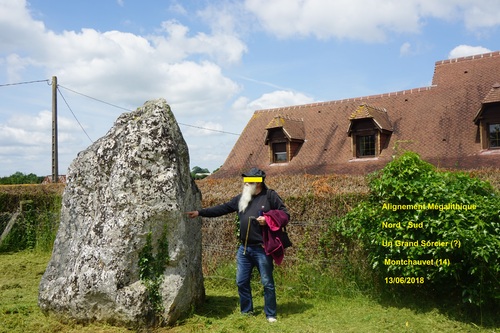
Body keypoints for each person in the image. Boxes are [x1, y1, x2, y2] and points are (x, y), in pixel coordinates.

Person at [186, 167, 289, 323]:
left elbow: (284, 214)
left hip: (262, 249)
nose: (247, 183)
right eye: (246, 181)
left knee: (267, 283)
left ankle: (270, 314)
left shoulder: (270, 196)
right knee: (241, 281)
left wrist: (268, 220)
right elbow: (222, 208)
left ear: (259, 182)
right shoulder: (242, 198)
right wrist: (200, 212)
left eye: (250, 181)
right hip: (244, 249)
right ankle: (247, 311)